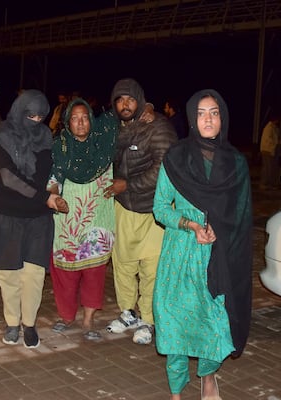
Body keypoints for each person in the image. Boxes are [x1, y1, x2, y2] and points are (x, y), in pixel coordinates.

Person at [152, 89, 253, 400]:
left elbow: (242, 215)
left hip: (218, 255)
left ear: (222, 118)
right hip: (181, 252)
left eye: (214, 113)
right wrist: (190, 224)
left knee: (213, 319)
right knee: (175, 319)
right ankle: (176, 390)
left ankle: (208, 378)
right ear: (192, 119)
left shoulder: (236, 163)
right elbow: (160, 207)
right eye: (201, 113)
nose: (208, 119)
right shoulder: (176, 158)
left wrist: (221, 232)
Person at [0, 89, 68, 349]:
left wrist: (55, 191)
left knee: (34, 274)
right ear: (19, 111)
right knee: (8, 273)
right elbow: (8, 177)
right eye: (30, 115)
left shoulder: (47, 139)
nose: (36, 121)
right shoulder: (3, 136)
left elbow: (52, 173)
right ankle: (12, 322)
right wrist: (45, 197)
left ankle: (29, 324)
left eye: (41, 116)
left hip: (38, 217)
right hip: (7, 213)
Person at [103, 78, 177, 345]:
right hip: (124, 207)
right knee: (122, 262)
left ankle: (148, 319)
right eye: (120, 100)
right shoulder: (113, 129)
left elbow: (164, 169)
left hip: (152, 209)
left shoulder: (158, 126)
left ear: (140, 100)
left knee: (151, 267)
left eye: (130, 99)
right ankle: (128, 313)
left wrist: (128, 185)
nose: (125, 104)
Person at [48, 98, 116, 340]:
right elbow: (53, 179)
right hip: (67, 219)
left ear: (91, 120)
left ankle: (88, 319)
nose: (80, 122)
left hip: (97, 218)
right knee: (65, 271)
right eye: (75, 118)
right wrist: (55, 197)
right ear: (68, 122)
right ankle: (66, 316)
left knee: (94, 271)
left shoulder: (104, 146)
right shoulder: (60, 146)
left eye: (84, 117)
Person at [259, 113, 281, 189]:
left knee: (271, 168)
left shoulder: (273, 127)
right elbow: (268, 140)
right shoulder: (269, 128)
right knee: (267, 168)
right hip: (267, 150)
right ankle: (264, 183)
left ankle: (270, 183)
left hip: (270, 150)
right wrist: (276, 143)